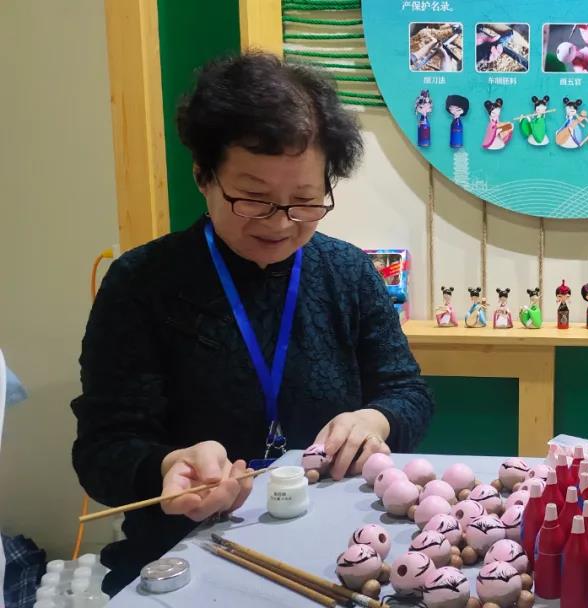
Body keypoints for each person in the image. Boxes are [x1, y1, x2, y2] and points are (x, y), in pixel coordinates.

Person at [70, 53, 434, 594]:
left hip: (339, 552)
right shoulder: (141, 283)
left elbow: (408, 392)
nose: (281, 223)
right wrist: (165, 467)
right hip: (186, 557)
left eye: (305, 201)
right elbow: (102, 448)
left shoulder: (348, 272)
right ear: (203, 175)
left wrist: (375, 419)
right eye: (255, 199)